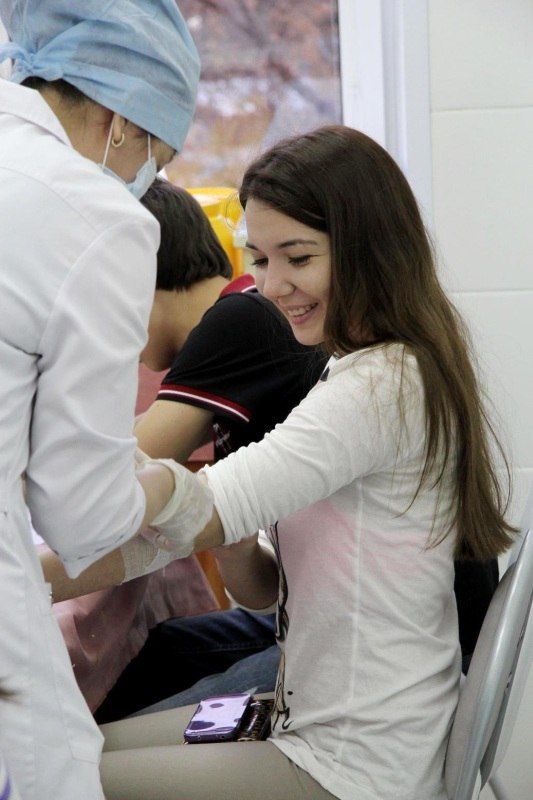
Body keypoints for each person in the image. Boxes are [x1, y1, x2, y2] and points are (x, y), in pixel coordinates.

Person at [98, 125, 515, 800]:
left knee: (49, 774)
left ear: (368, 249)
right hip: (320, 726)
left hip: (351, 768)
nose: (270, 286)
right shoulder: (361, 369)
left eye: (296, 257)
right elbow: (265, 590)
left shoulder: (381, 387)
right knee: (72, 749)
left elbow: (200, 505)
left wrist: (60, 532)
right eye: (260, 260)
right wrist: (234, 543)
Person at [0, 2, 204, 798]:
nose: (147, 178)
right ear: (122, 119)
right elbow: (81, 515)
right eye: (157, 154)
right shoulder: (94, 217)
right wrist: (172, 493)